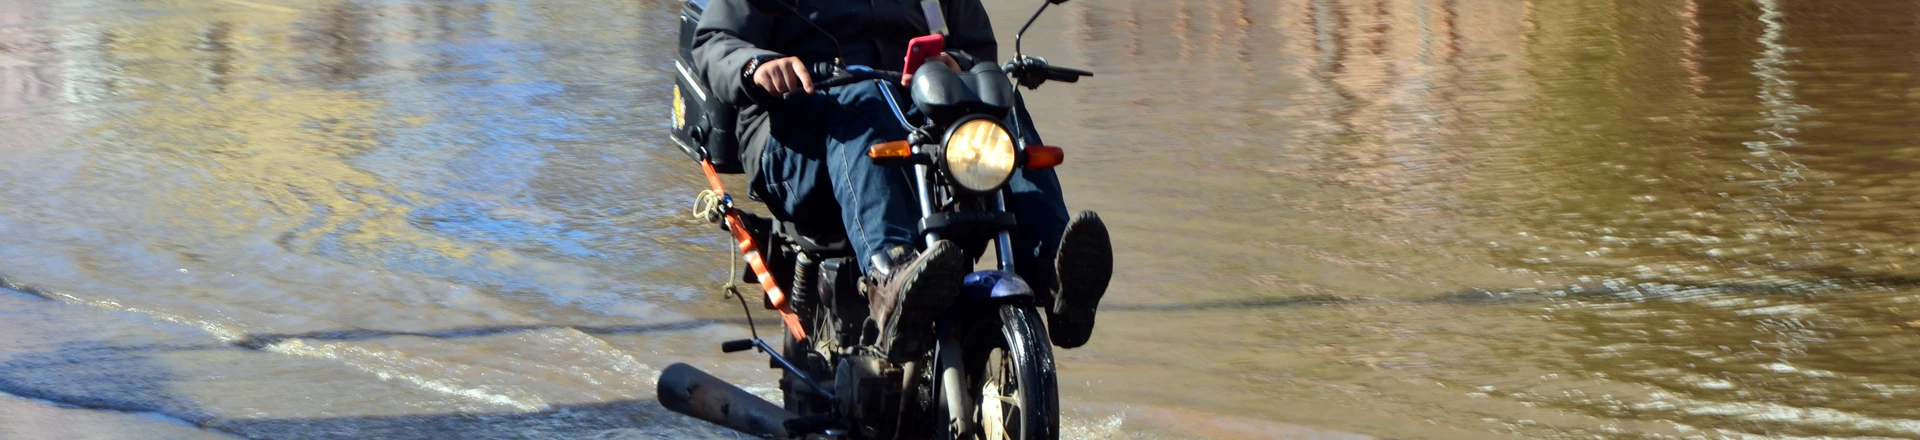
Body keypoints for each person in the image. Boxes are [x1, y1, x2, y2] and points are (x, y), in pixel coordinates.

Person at [690, 0, 1110, 362]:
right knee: (862, 97)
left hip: (910, 115)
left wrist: (956, 64)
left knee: (998, 102)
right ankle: (889, 276)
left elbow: (978, 52)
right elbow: (713, 42)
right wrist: (757, 66)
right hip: (795, 136)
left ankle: (1056, 275)